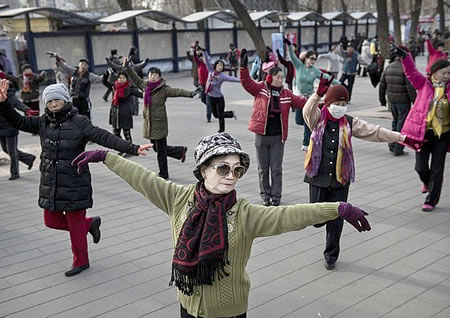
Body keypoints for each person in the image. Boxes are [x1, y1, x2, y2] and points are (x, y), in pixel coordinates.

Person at [72, 131, 371, 318]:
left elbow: (290, 215)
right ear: (203, 169)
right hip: (187, 306)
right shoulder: (178, 198)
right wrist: (107, 157)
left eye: (237, 170)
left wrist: (338, 208)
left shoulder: (246, 213)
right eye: (223, 167)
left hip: (229, 312)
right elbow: (143, 178)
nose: (231, 176)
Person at [0, 81, 152, 276]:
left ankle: (81, 261)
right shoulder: (43, 121)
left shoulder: (79, 121)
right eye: (50, 101)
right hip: (51, 181)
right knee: (51, 221)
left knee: (74, 224)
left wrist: (133, 148)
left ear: (64, 100)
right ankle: (89, 224)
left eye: (57, 100)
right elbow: (19, 122)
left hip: (74, 181)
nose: (53, 104)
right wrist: (4, 103)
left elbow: (102, 136)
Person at [302, 77, 420, 270]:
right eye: (337, 104)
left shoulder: (349, 123)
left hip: (341, 178)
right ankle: (319, 221)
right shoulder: (317, 119)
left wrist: (402, 138)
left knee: (336, 218)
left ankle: (331, 255)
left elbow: (376, 131)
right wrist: (317, 96)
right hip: (318, 176)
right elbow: (307, 110)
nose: (340, 107)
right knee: (316, 218)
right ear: (328, 103)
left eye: (344, 104)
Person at [239, 49, 307, 206]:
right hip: (261, 136)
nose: (280, 80)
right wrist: (243, 67)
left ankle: (276, 198)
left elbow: (302, 103)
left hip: (278, 137)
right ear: (270, 77)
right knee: (263, 169)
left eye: (282, 77)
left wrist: (319, 99)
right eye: (278, 77)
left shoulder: (286, 94)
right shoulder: (260, 89)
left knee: (276, 169)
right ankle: (265, 196)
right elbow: (246, 83)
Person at [392, 44, 450, 212]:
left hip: (442, 134)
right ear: (434, 72)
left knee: (438, 170)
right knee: (421, 168)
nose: (447, 76)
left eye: (449, 73)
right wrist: (405, 57)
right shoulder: (424, 84)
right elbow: (411, 72)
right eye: (444, 73)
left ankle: (431, 200)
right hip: (423, 134)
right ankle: (427, 182)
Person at [125, 61, 199, 180]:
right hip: (149, 123)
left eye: (155, 74)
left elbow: (177, 91)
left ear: (159, 77)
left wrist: (191, 93)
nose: (153, 76)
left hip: (159, 123)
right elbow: (135, 78)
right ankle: (180, 151)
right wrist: (127, 67)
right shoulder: (145, 85)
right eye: (151, 74)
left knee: (160, 151)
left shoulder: (163, 89)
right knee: (156, 148)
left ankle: (164, 173)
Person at [285, 37, 340, 151]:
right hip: (299, 97)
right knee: (299, 120)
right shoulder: (299, 66)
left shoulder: (315, 70)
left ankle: (306, 143)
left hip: (309, 98)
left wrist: (338, 83)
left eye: (315, 59)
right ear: (306, 58)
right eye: (311, 58)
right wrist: (289, 45)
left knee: (307, 122)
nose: (313, 61)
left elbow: (326, 77)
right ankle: (312, 135)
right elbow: (292, 55)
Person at [379, 47, 417, 156]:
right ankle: (398, 148)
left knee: (395, 122)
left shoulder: (389, 67)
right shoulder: (406, 69)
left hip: (392, 101)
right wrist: (416, 102)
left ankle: (392, 144)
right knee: (402, 125)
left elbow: (382, 86)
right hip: (403, 101)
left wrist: (382, 100)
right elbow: (410, 88)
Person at [0, 71, 36, 180]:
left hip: (10, 124)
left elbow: (16, 103)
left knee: (12, 151)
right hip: (0, 126)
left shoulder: (8, 92)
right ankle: (29, 158)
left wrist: (27, 110)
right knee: (6, 149)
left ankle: (15, 173)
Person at [54, 55, 103, 120]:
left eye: (86, 64)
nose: (83, 66)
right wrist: (57, 58)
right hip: (74, 100)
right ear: (79, 64)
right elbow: (64, 67)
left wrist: (107, 74)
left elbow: (100, 78)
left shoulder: (89, 75)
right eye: (82, 63)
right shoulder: (73, 72)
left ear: (88, 67)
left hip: (84, 101)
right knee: (74, 117)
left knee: (85, 118)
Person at [203, 49, 240, 133]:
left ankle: (221, 131)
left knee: (220, 116)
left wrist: (242, 81)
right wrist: (204, 52)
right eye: (219, 65)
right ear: (215, 66)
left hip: (219, 98)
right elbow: (207, 61)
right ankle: (230, 114)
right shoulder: (210, 71)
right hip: (210, 97)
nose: (220, 67)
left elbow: (232, 79)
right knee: (216, 115)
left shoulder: (222, 76)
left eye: (222, 66)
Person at [109, 71, 143, 155]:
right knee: (115, 134)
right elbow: (105, 81)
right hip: (116, 114)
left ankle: (130, 150)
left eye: (123, 78)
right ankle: (125, 148)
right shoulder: (115, 86)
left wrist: (149, 94)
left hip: (125, 113)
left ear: (126, 79)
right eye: (120, 78)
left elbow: (140, 94)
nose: (121, 79)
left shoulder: (129, 88)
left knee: (126, 133)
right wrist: (107, 74)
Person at [193, 48, 211, 122]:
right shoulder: (199, 64)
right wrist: (194, 49)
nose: (202, 59)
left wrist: (204, 51)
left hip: (209, 85)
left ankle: (208, 116)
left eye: (204, 58)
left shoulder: (209, 66)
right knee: (202, 99)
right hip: (202, 85)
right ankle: (211, 108)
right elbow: (195, 57)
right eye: (201, 58)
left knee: (208, 101)